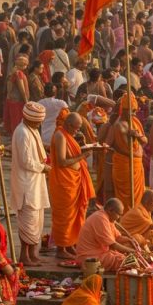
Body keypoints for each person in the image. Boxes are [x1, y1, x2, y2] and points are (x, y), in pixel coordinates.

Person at [48, 111, 96, 260]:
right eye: (76, 128)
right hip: (64, 183)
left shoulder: (68, 135)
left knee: (76, 215)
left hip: (74, 180)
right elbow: (62, 162)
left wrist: (82, 148)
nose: (77, 131)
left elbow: (71, 154)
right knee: (65, 216)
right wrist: (83, 156)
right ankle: (61, 248)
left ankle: (70, 244)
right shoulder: (60, 136)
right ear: (68, 125)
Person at [10, 102, 50, 266]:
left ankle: (33, 254)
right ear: (29, 118)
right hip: (26, 183)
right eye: (38, 121)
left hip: (36, 182)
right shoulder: (22, 132)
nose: (39, 124)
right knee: (28, 220)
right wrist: (44, 168)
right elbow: (26, 161)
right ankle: (24, 256)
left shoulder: (32, 130)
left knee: (37, 220)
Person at [75, 198, 133, 271]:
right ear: (110, 210)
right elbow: (113, 244)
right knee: (126, 262)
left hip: (100, 253)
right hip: (88, 258)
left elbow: (117, 238)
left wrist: (129, 240)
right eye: (119, 214)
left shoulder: (108, 218)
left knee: (125, 258)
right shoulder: (100, 218)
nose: (119, 218)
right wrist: (131, 251)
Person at [112, 94, 146, 209]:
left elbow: (145, 140)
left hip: (137, 165)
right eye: (132, 111)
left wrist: (137, 136)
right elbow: (126, 150)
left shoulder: (134, 122)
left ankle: (136, 217)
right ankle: (128, 218)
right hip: (126, 166)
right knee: (128, 198)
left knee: (138, 198)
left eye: (135, 111)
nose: (134, 114)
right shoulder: (119, 126)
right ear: (125, 110)